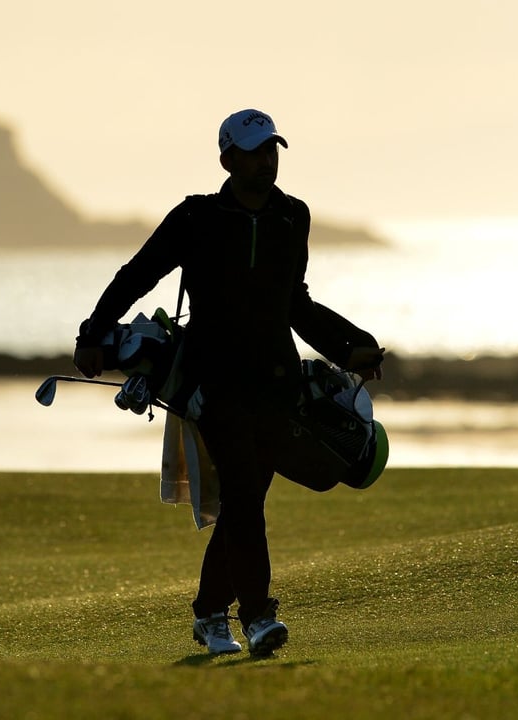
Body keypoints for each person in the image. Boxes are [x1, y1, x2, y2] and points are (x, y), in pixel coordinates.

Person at [73, 108, 384, 656]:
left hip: (276, 383)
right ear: (227, 160)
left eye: (272, 151)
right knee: (244, 495)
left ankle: (210, 612)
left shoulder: (293, 217)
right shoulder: (197, 218)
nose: (267, 161)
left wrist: (351, 342)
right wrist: (93, 335)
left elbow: (296, 303)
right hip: (211, 384)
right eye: (255, 152)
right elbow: (136, 275)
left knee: (245, 500)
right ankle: (258, 617)